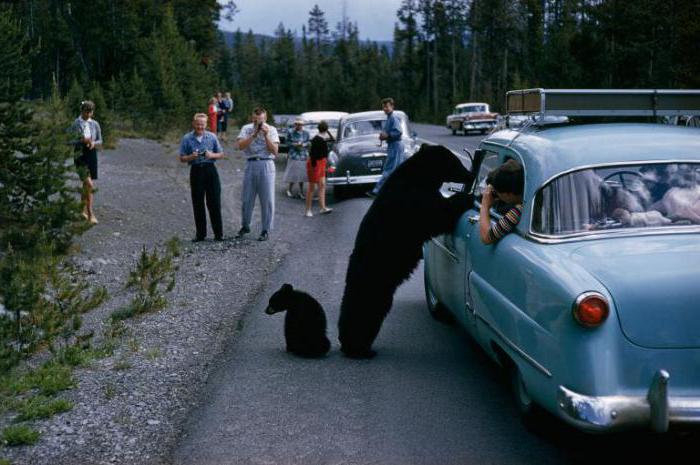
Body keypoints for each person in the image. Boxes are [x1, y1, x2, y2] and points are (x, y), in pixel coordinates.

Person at [179, 113, 225, 242]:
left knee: (214, 202)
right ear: (193, 124)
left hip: (210, 170)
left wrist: (211, 155)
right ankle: (201, 234)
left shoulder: (212, 137)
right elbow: (182, 157)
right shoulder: (187, 138)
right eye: (198, 124)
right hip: (196, 171)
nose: (200, 126)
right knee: (198, 203)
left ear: (206, 124)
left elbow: (221, 154)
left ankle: (219, 234)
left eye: (202, 124)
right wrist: (191, 157)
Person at [235, 107, 279, 241]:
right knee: (247, 198)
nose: (258, 123)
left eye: (261, 120)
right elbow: (241, 146)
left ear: (265, 119)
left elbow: (275, 151)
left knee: (267, 200)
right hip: (251, 162)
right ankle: (245, 225)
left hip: (266, 163)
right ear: (252, 118)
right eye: (256, 119)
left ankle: (265, 229)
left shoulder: (271, 130)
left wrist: (265, 136)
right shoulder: (246, 128)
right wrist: (253, 134)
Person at [70, 100, 103, 225]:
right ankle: (90, 213)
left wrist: (94, 143)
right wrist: (80, 140)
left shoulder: (95, 124)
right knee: (89, 184)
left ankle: (81, 210)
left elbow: (101, 140)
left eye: (90, 112)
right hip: (80, 155)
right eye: (86, 111)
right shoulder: (75, 124)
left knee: (86, 185)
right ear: (82, 111)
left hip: (91, 154)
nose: (88, 114)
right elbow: (68, 140)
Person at [479, 159, 524, 244]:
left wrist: (485, 205)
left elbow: (487, 237)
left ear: (507, 194)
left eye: (497, 193)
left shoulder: (519, 211)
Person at [370, 97, 405, 197]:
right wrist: (383, 137)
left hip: (396, 145)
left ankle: (376, 191)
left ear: (392, 107)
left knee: (389, 168)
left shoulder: (393, 118)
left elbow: (398, 132)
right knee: (397, 169)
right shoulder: (389, 118)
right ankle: (398, 190)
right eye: (384, 107)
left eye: (387, 107)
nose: (385, 109)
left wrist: (388, 136)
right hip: (393, 145)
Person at [305, 120, 334, 217]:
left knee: (322, 185)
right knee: (312, 187)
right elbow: (312, 154)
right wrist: (314, 166)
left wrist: (325, 165)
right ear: (326, 129)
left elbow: (332, 139)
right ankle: (308, 210)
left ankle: (323, 207)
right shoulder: (317, 139)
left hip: (321, 162)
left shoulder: (321, 138)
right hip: (315, 162)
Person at [284, 118, 310, 199]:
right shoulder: (290, 132)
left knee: (302, 173)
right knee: (293, 172)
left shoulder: (306, 133)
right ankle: (289, 189)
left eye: (300, 124)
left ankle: (301, 191)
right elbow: (287, 142)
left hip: (303, 155)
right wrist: (294, 145)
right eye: (297, 124)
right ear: (295, 124)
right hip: (294, 154)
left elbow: (308, 142)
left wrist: (304, 145)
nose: (299, 126)